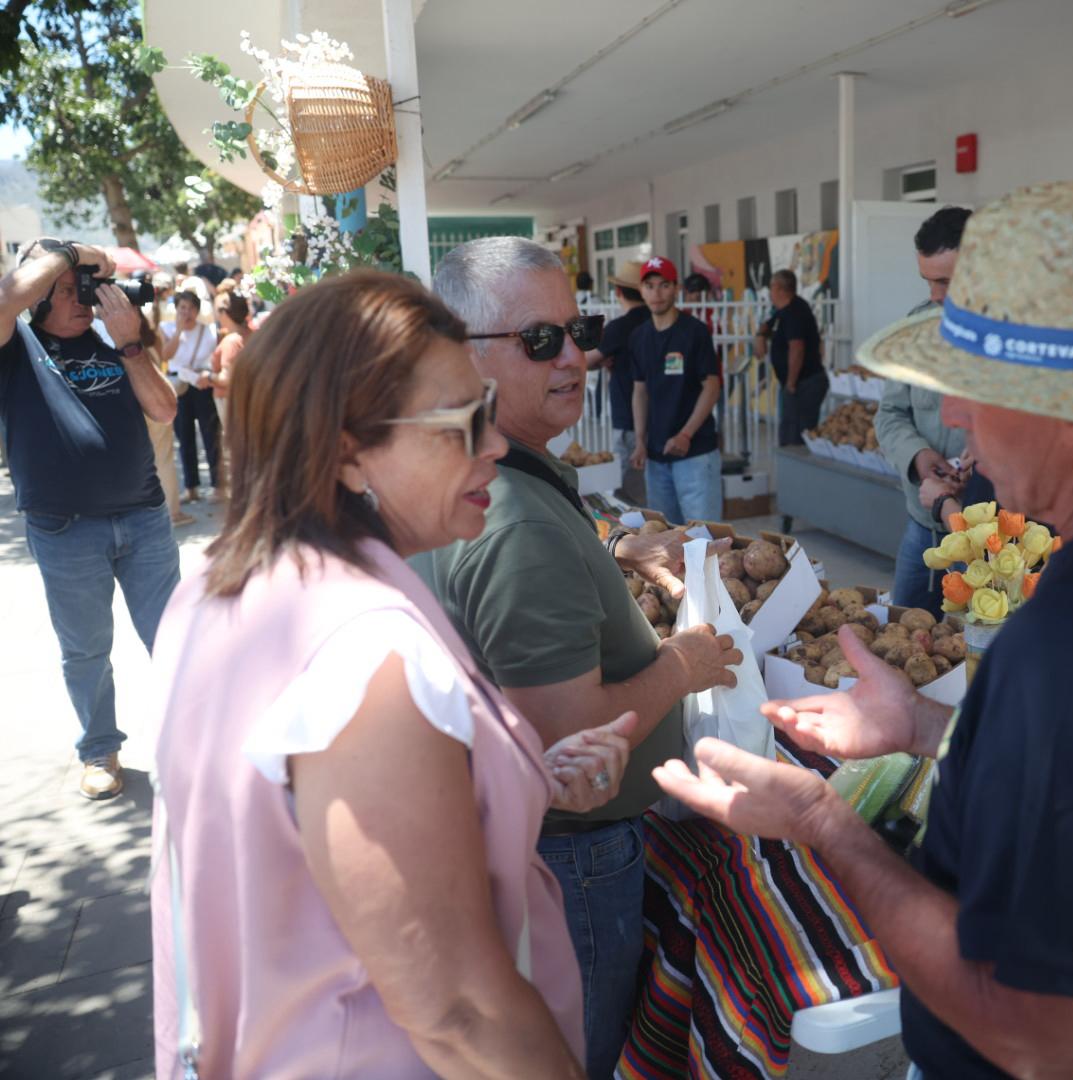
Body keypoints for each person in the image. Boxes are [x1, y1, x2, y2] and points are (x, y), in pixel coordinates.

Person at [653, 183, 1073, 1080]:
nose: (956, 419)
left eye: (978, 389)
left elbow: (1032, 1038)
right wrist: (924, 727)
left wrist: (820, 818)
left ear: (1069, 403)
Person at [149, 270, 633, 1077]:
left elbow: (300, 821)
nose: (496, 444)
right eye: (461, 423)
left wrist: (518, 783)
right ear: (347, 452)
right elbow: (458, 1011)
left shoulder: (218, 585)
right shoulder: (367, 657)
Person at [421, 237, 744, 1079]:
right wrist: (685, 662)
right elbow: (567, 737)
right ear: (462, 351)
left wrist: (612, 549)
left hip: (544, 852)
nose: (575, 356)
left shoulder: (486, 476)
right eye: (540, 341)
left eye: (577, 328)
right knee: (580, 1057)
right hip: (573, 858)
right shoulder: (516, 520)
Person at [0, 238, 181, 799]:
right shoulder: (16, 346)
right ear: (38, 293)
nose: (82, 297)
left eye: (86, 287)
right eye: (67, 288)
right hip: (66, 528)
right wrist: (69, 252)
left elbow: (165, 408)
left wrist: (131, 346)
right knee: (86, 650)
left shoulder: (112, 345)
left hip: (145, 520)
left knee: (176, 636)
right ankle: (99, 749)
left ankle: (203, 735)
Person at [876, 205, 978, 614]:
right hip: (924, 528)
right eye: (928, 281)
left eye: (946, 283)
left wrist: (986, 462)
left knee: (977, 658)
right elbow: (890, 413)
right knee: (904, 639)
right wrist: (919, 456)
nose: (935, 296)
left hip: (989, 542)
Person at [628, 256, 723, 526]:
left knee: (704, 538)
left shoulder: (694, 332)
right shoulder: (639, 337)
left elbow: (712, 387)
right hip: (656, 458)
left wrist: (686, 434)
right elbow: (639, 391)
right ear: (641, 290)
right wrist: (640, 440)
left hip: (695, 454)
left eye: (664, 285)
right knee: (665, 539)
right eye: (650, 286)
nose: (656, 293)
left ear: (676, 288)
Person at [582, 261, 650, 502]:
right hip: (662, 416)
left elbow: (587, 360)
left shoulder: (620, 327)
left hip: (628, 417)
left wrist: (601, 361)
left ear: (618, 292)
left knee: (627, 491)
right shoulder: (657, 322)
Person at [753, 268, 826, 446]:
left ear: (778, 288)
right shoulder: (782, 312)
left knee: (797, 438)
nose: (770, 293)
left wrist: (791, 383)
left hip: (804, 383)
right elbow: (766, 326)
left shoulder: (796, 311)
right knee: (787, 433)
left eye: (771, 288)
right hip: (795, 383)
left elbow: (797, 349)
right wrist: (760, 336)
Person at [161, 290, 222, 503]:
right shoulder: (166, 329)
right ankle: (191, 487)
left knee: (210, 435)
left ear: (197, 310)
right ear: (176, 310)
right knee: (184, 437)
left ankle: (217, 485)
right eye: (182, 308)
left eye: (191, 308)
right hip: (179, 386)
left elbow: (214, 357)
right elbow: (165, 355)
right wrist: (178, 332)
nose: (187, 313)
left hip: (203, 384)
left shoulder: (209, 330)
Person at [135, 308, 193, 528]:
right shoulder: (153, 337)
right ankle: (172, 511)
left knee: (146, 459)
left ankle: (154, 509)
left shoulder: (121, 342)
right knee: (164, 458)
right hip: (158, 402)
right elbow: (164, 361)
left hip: (138, 406)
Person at [210, 289, 253, 431]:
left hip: (231, 401)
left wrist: (207, 376)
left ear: (224, 313)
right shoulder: (251, 335)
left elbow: (227, 378)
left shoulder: (232, 341)